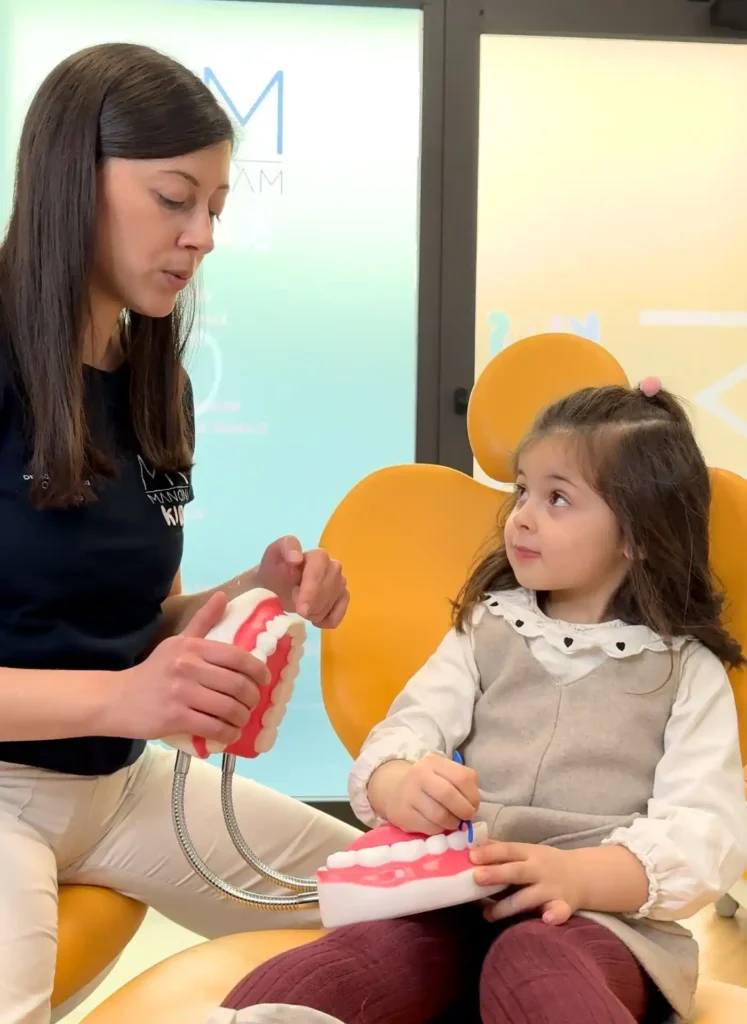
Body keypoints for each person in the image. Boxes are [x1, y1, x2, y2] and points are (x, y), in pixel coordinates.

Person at [0, 42, 361, 1024]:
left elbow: (131, 621)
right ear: (76, 176)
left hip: (118, 784)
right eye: (174, 198)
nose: (200, 235)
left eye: (216, 208)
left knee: (404, 903)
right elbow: (116, 675)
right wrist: (125, 694)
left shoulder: (152, 378)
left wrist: (250, 591)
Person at [221, 380, 747, 1024]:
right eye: (522, 489)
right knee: (344, 966)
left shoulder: (685, 671)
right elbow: (404, 732)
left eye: (558, 498)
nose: (521, 515)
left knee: (533, 963)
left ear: (638, 534)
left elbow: (706, 833)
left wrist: (581, 878)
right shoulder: (486, 629)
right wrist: (399, 783)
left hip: (601, 923)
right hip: (451, 899)